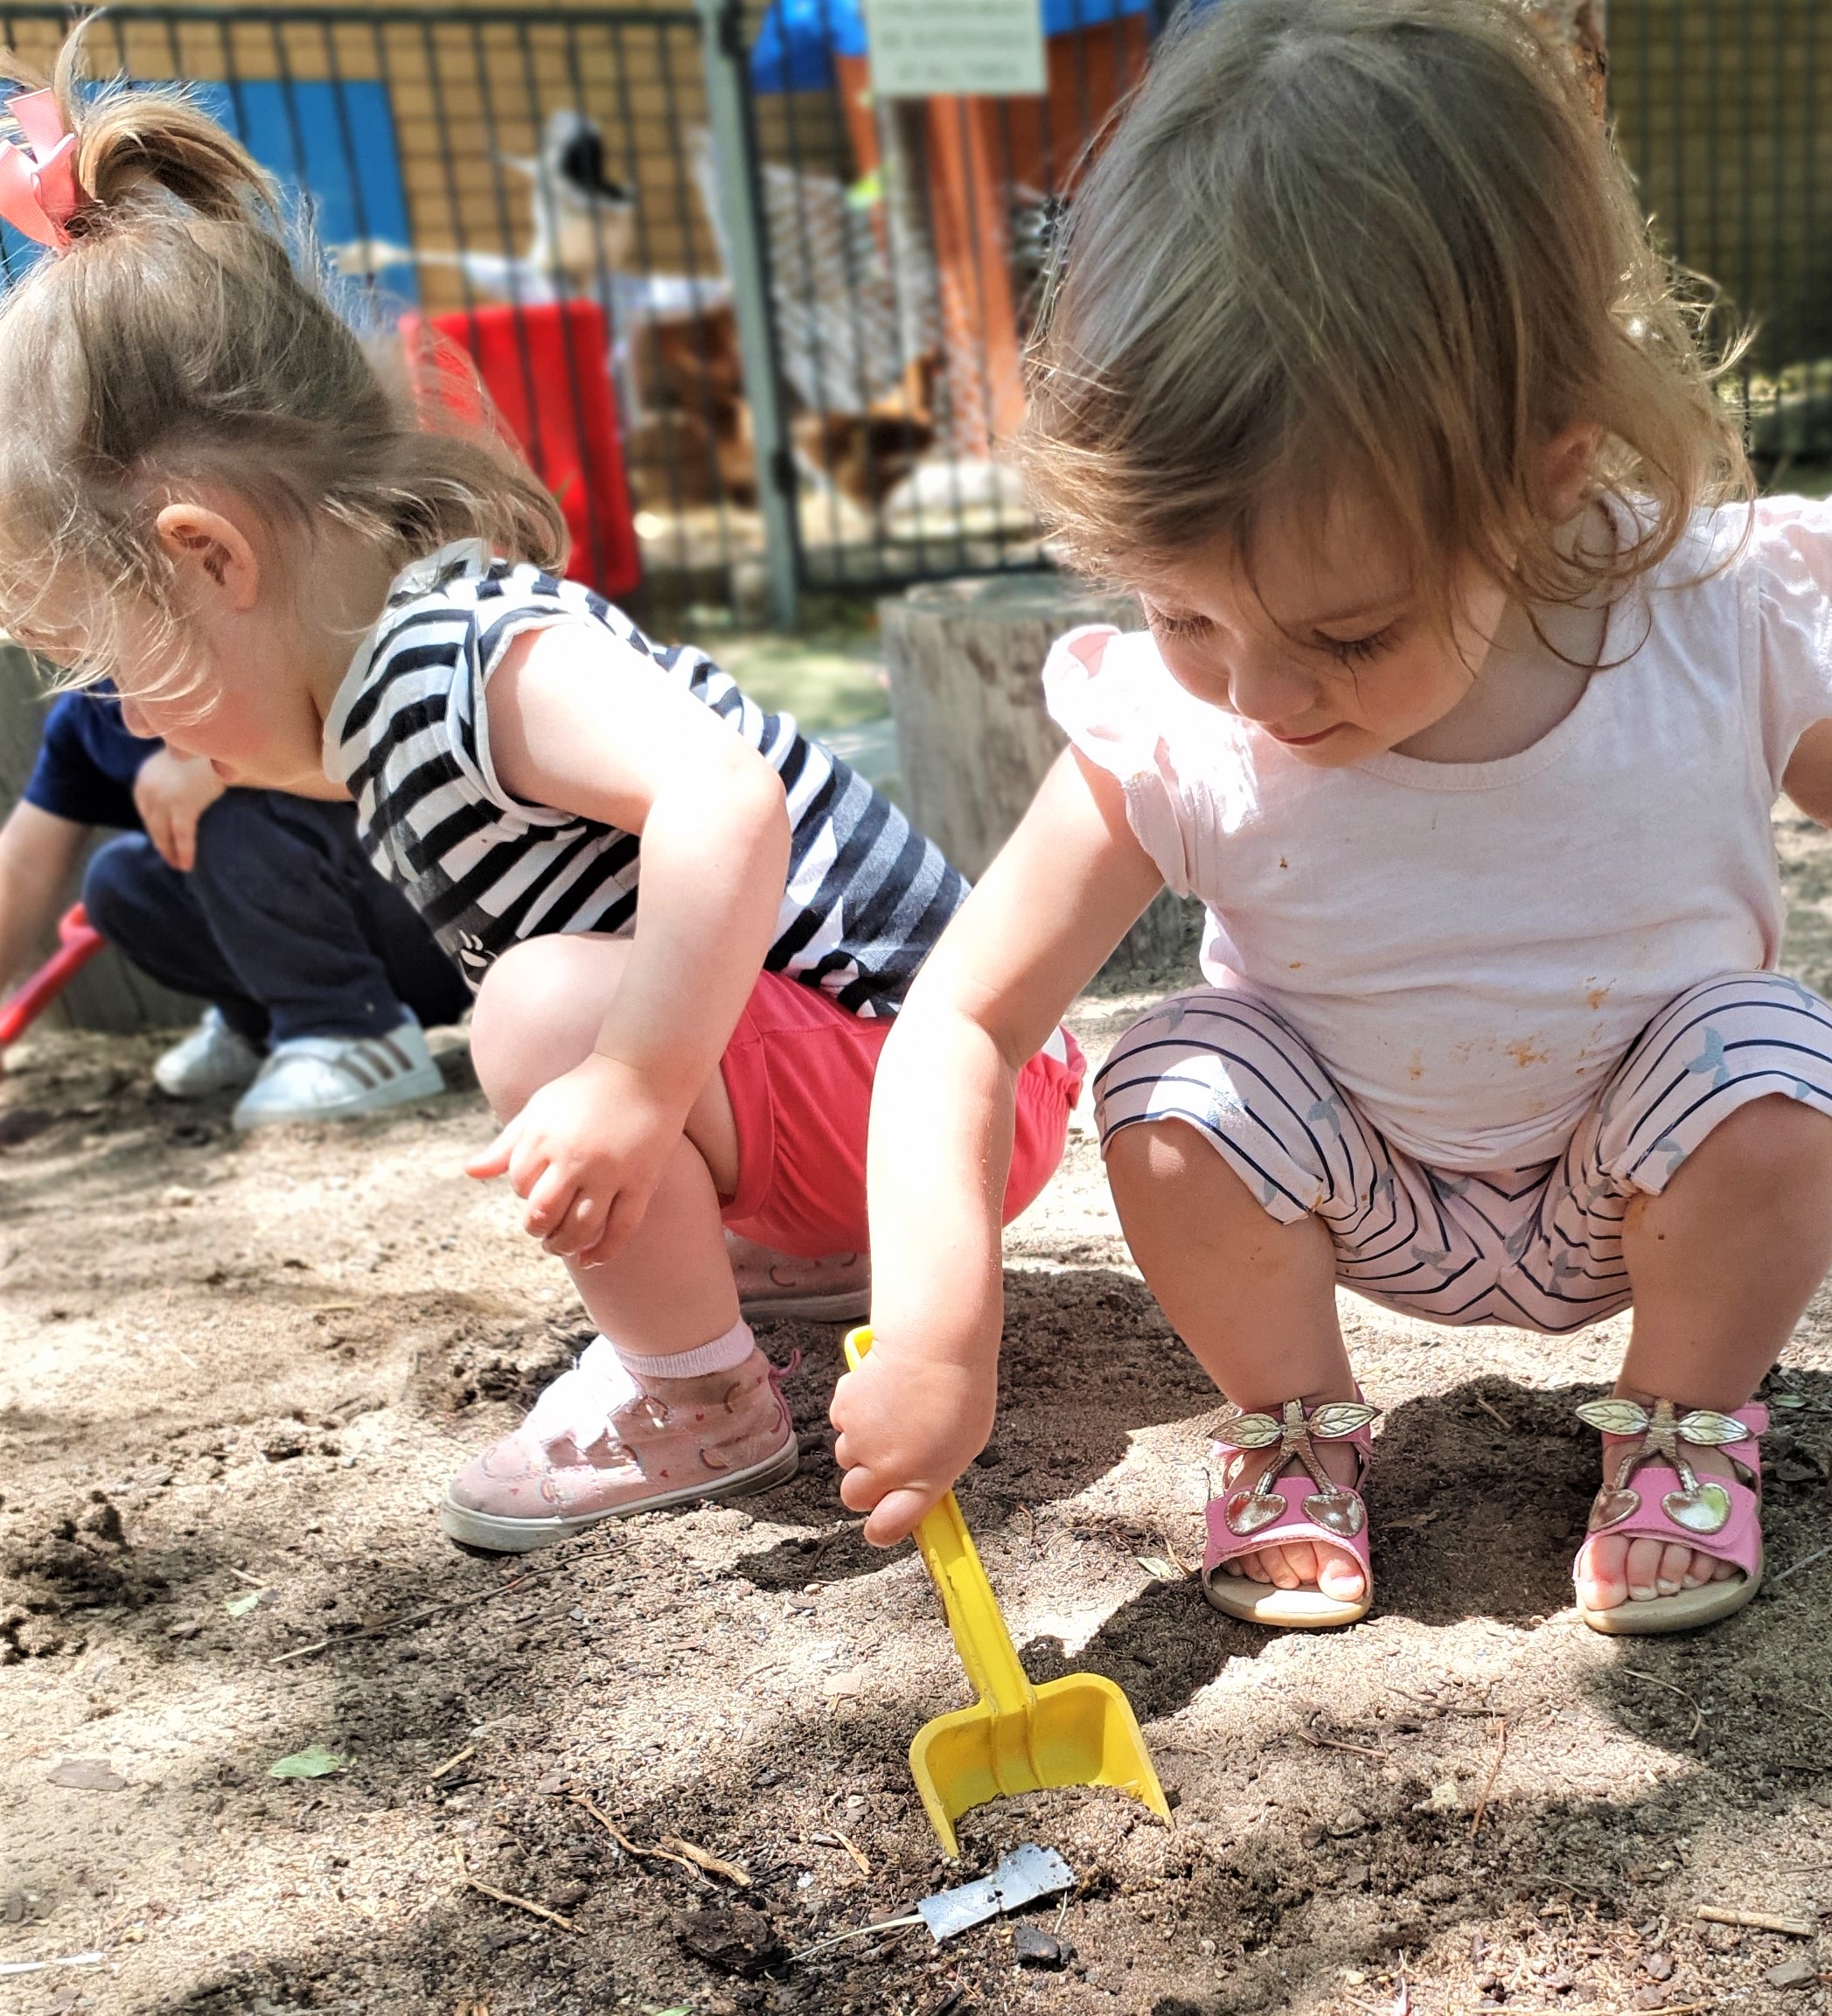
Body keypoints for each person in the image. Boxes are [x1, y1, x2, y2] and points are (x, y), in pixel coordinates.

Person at [828, 0, 1832, 1636]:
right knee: (1169, 1085)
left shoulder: (1701, 611)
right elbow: (964, 1018)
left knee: (1779, 1065)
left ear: (1543, 479)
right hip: (1356, 1183)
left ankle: (1679, 1423)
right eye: (1183, 615)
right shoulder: (1182, 727)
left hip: (1638, 1179)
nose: (1263, 694)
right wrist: (940, 1321)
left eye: (1347, 631)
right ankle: (1293, 1429)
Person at [0, 40, 1077, 1550]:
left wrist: (635, 1088)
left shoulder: (468, 655)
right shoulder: (390, 687)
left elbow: (729, 801)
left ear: (208, 558)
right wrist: (216, 752)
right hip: (881, 1109)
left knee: (539, 1015)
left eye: (105, 657)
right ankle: (786, 1268)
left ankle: (694, 1394)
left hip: (940, 1093)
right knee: (554, 1010)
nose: (111, 707)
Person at [0, 680, 470, 1124]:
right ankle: (263, 1031)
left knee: (220, 810)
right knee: (120, 880)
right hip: (363, 939)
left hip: (442, 931)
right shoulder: (91, 712)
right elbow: (22, 866)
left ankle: (350, 1030)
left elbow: (373, 720)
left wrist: (218, 765)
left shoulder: (249, 637)